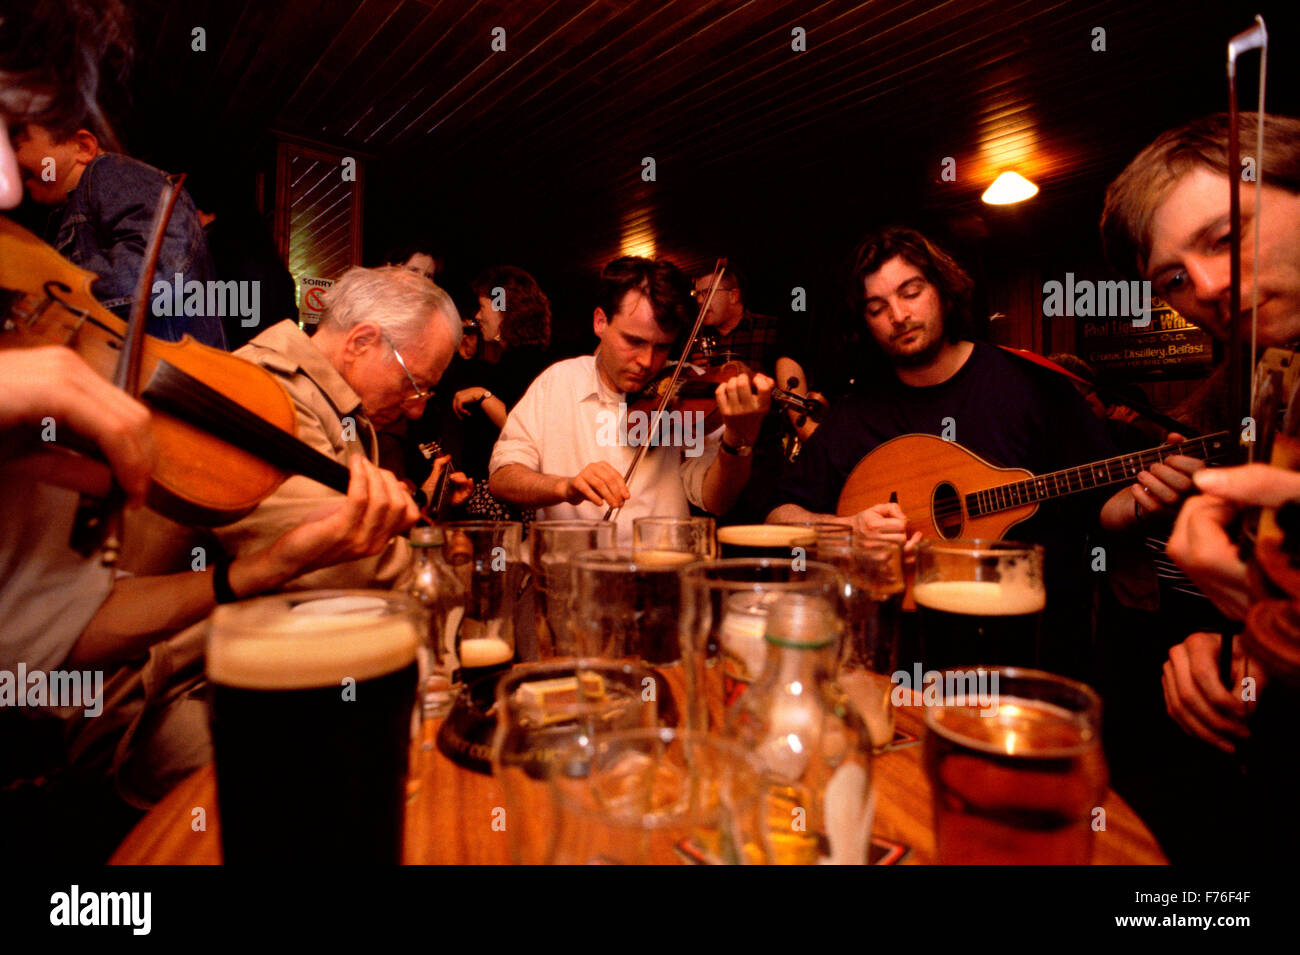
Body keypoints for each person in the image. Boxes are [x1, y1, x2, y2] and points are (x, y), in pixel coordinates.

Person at [767, 226, 1116, 674]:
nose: (898, 314)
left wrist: (1150, 503)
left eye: (911, 292)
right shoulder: (854, 416)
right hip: (903, 669)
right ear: (866, 323)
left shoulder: (1031, 384)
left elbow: (1108, 502)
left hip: (1034, 661)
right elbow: (779, 516)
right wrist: (846, 530)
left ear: (943, 290)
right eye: (877, 307)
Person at [1094, 111, 1300, 862]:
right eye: (1172, 278)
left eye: (1226, 234)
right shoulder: (1254, 373)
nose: (1210, 286)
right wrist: (1252, 638)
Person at [488, 256, 773, 542]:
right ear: (600, 322)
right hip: (572, 575)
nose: (647, 362)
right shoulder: (558, 383)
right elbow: (503, 477)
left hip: (660, 571)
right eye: (634, 341)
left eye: (661, 347)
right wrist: (565, 487)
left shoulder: (685, 390)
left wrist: (738, 440)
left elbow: (716, 501)